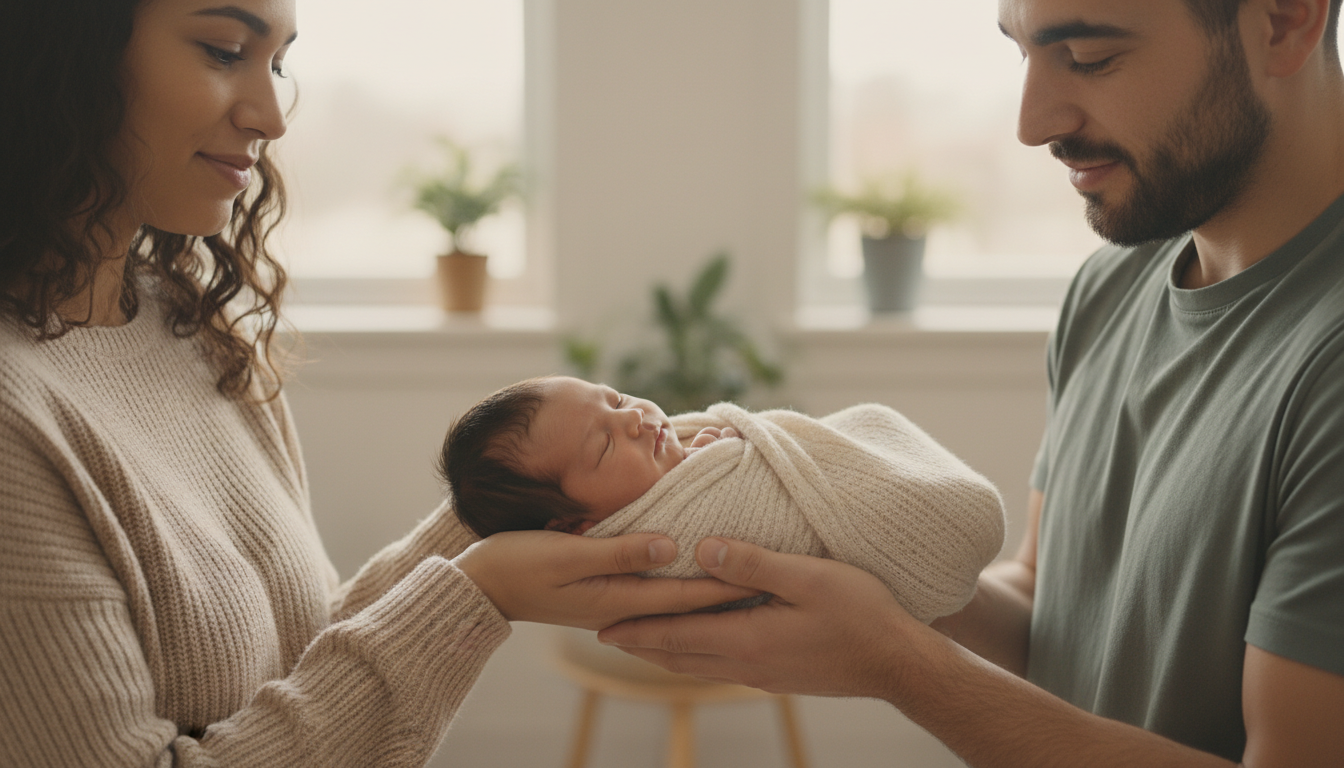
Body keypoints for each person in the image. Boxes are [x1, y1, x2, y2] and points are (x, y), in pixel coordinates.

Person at [0, 1, 753, 765]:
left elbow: (309, 656)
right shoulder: (15, 415)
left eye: (279, 63)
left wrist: (523, 500)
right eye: (224, 50)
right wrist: (477, 592)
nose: (271, 116)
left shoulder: (191, 328)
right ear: (64, 48)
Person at [599, 0, 1344, 765]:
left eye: (1089, 57)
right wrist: (838, 549)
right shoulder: (1114, 285)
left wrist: (899, 666)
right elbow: (1049, 618)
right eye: (1022, 53)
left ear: (1285, 20)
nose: (1032, 122)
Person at [441, 375, 1005, 623]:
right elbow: (751, 516)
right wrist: (728, 459)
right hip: (903, 525)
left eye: (613, 398)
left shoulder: (663, 466)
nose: (635, 418)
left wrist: (715, 451)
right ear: (573, 527)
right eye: (605, 443)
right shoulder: (657, 544)